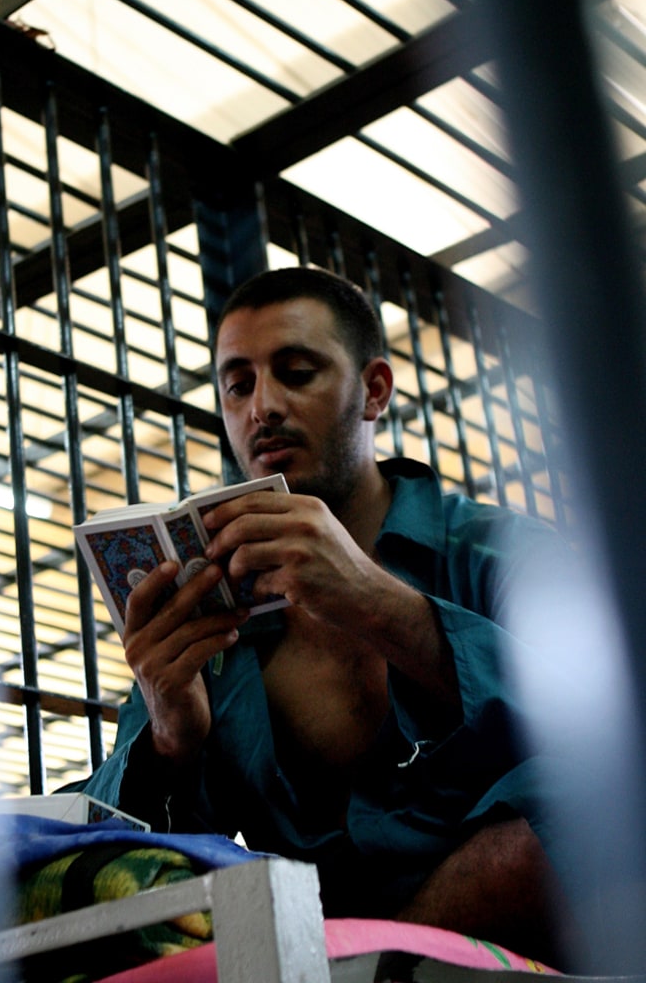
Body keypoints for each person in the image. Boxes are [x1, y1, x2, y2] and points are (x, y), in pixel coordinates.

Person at [66, 266, 575, 966]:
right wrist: (170, 735)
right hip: (300, 943)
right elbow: (116, 839)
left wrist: (381, 605)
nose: (263, 407)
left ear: (375, 390)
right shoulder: (205, 607)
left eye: (297, 373)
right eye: (238, 385)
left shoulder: (502, 554)